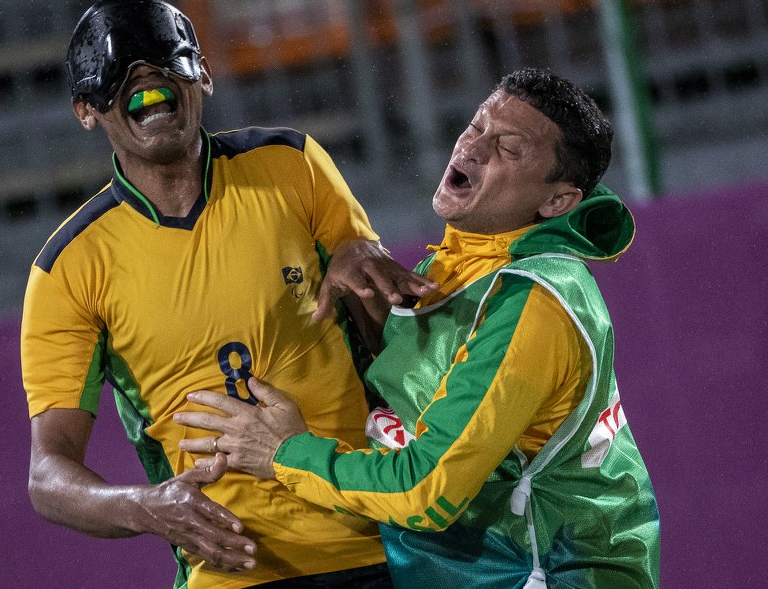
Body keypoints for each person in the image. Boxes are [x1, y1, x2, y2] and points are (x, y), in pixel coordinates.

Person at [177, 68, 662, 589]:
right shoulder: (456, 273)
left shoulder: (531, 304)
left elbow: (428, 490)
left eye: (510, 149)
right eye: (476, 125)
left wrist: (283, 453)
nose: (474, 148)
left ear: (557, 202)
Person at [20, 0, 436, 589]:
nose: (148, 81)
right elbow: (47, 476)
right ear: (87, 110)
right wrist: (147, 506)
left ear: (203, 75)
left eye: (166, 62)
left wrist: (366, 263)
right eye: (121, 76)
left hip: (378, 539)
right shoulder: (68, 267)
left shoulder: (292, 165)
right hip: (232, 572)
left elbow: (393, 342)